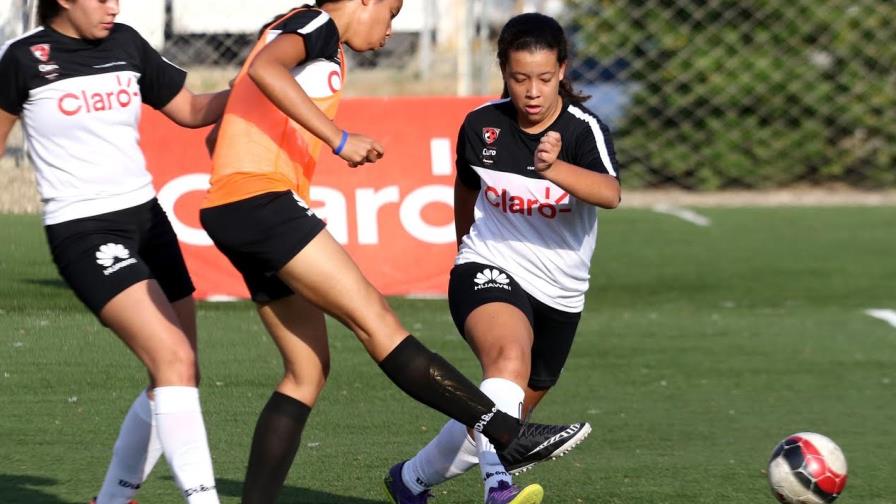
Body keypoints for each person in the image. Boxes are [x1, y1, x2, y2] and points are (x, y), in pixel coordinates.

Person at [199, 2, 588, 503]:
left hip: (232, 207)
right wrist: (338, 139)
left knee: (307, 371)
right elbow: (265, 69)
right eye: (389, 11)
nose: (390, 28)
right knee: (377, 320)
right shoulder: (316, 24)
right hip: (263, 203)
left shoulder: (297, 27)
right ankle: (507, 436)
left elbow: (223, 123)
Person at [383, 12, 620, 504]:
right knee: (507, 360)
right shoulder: (482, 125)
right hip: (490, 265)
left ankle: (410, 481)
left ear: (563, 71)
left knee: (498, 415)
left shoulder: (582, 130)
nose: (532, 91)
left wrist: (554, 169)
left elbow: (610, 193)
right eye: (519, 78)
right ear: (503, 71)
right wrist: (465, 255)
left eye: (545, 78)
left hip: (561, 292)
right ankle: (499, 489)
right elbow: (465, 188)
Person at [0, 1, 231, 503]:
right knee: (172, 359)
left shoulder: (125, 42)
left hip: (149, 220)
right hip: (83, 231)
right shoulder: (22, 59)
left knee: (180, 370)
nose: (114, 7)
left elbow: (190, 110)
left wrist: (254, 89)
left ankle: (110, 500)